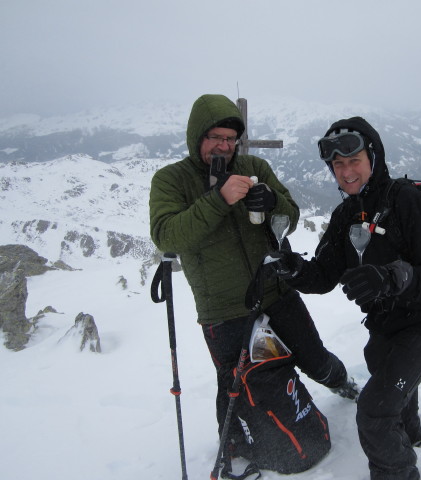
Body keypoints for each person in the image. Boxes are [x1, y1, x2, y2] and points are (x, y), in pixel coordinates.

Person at [149, 94, 358, 456]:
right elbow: (167, 235)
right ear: (196, 135)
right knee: (236, 381)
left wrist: (273, 204)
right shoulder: (172, 180)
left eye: (230, 139)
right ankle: (235, 444)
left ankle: (343, 383)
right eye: (215, 137)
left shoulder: (254, 166)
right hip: (223, 309)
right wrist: (218, 200)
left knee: (313, 355)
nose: (224, 146)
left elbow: (290, 213)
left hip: (276, 290)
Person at [267, 116, 421, 480]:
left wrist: (393, 276)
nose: (346, 171)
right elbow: (324, 275)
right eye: (337, 165)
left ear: (373, 157)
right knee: (384, 373)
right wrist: (293, 268)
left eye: (353, 161)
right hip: (385, 325)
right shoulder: (345, 216)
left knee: (375, 411)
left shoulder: (408, 202)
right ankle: (412, 437)